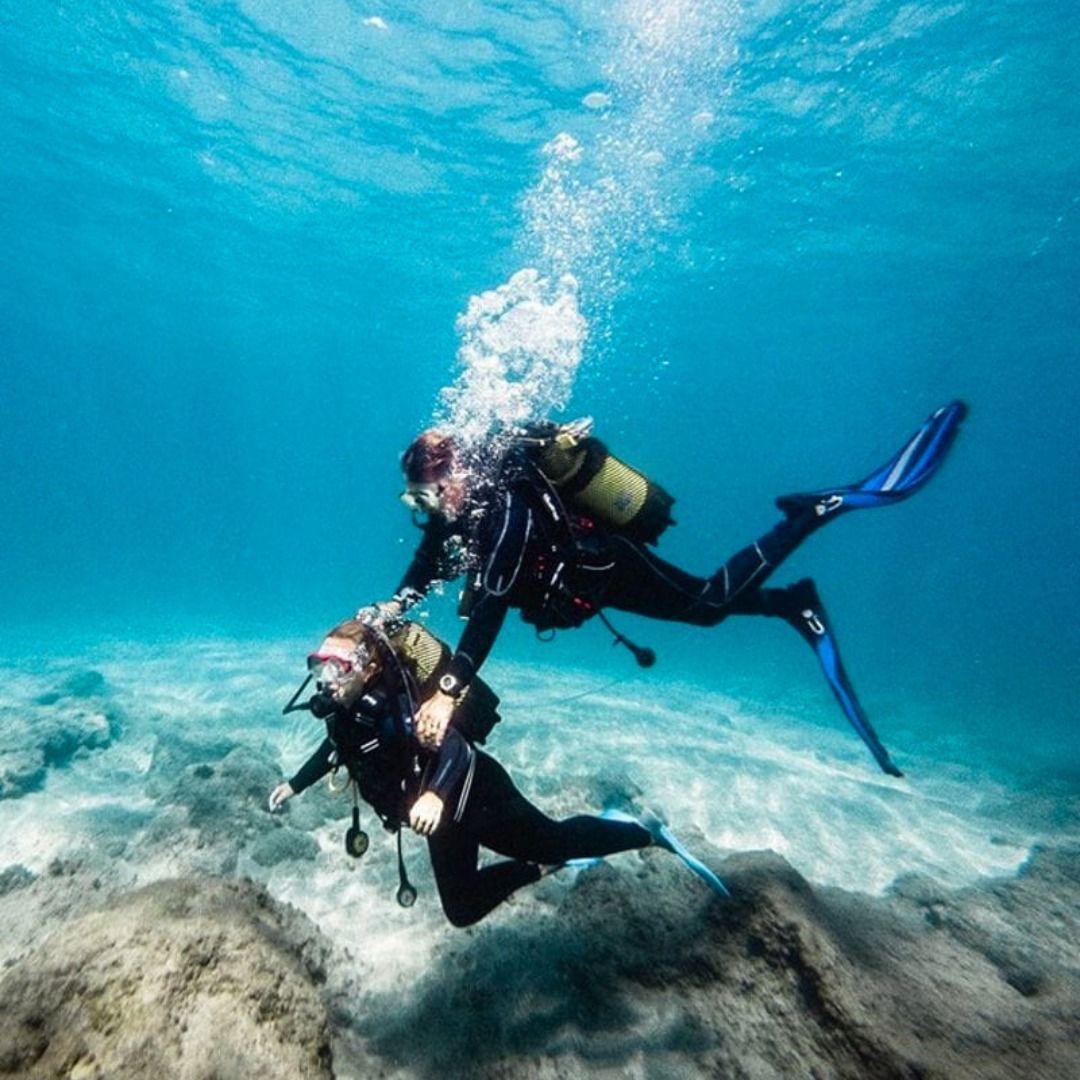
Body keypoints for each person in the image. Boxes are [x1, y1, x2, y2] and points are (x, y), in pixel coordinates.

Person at [370, 401, 968, 777]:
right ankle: (790, 602)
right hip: (580, 586)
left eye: (425, 495)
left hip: (609, 567)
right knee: (700, 610)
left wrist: (448, 691)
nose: (422, 509)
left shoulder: (502, 510)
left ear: (459, 476)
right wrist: (393, 607)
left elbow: (491, 607)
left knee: (707, 603)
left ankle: (813, 513)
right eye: (412, 499)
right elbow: (429, 563)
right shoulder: (457, 512)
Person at [268, 617, 697, 927]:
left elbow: (455, 744)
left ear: (370, 667)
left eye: (336, 668)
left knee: (555, 841)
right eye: (317, 666)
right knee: (461, 910)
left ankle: (646, 832)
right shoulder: (345, 711)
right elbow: (339, 747)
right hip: (436, 819)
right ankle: (542, 869)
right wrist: (294, 784)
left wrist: (435, 793)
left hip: (476, 794)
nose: (325, 680)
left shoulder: (398, 707)